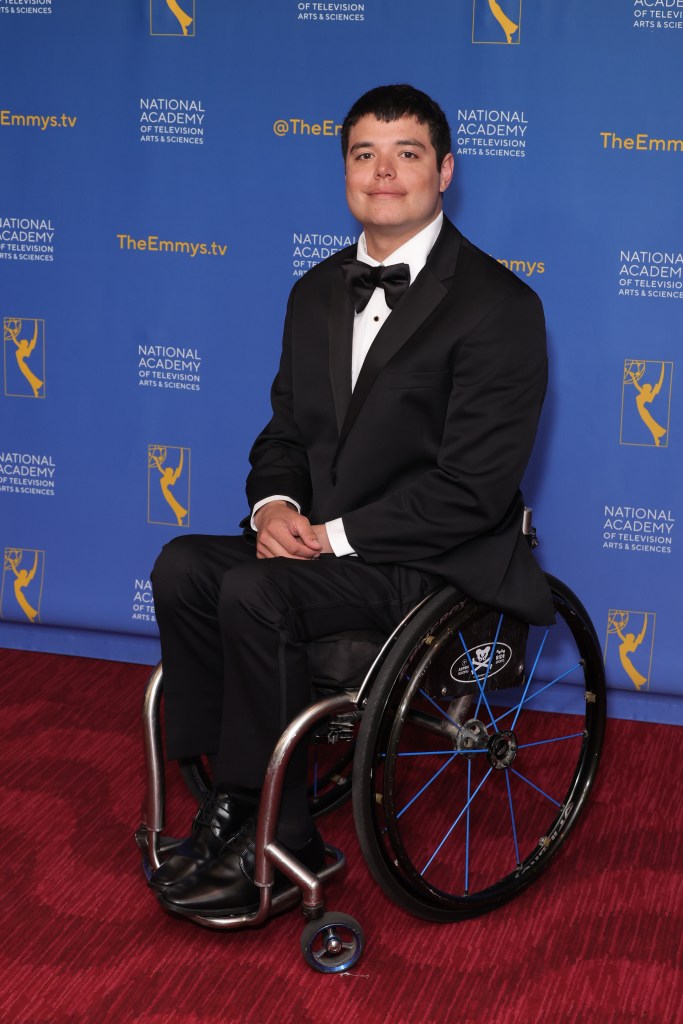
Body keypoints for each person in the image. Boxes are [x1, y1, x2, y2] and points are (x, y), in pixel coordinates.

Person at [150, 83, 554, 918]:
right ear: (344, 171)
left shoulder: (500, 307)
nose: (383, 172)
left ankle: (285, 837)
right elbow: (284, 436)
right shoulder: (313, 291)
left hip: (430, 562)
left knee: (257, 589)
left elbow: (471, 491)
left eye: (406, 154)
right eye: (363, 153)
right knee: (186, 564)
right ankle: (231, 798)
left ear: (444, 172)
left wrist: (328, 536)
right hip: (329, 547)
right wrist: (271, 508)